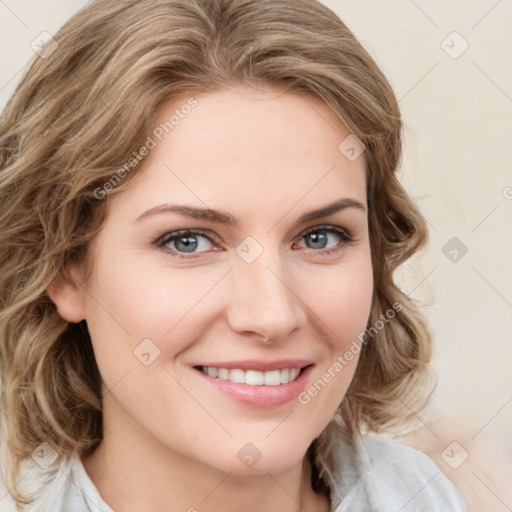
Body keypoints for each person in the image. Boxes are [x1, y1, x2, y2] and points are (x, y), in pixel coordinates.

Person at [0, 0, 468, 510]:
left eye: (320, 237)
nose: (272, 315)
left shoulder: (424, 494)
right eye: (188, 241)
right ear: (63, 268)